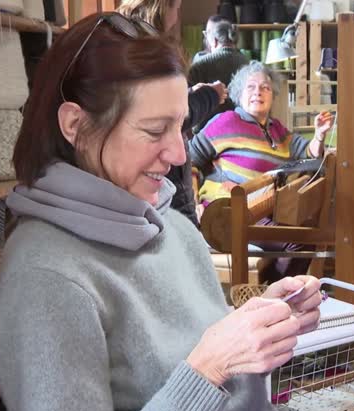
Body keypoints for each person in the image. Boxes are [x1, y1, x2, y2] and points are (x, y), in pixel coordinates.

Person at [0, 13, 322, 411]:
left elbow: (200, 372)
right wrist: (209, 368)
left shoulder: (172, 228)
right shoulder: (46, 280)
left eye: (180, 127)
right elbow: (199, 373)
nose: (179, 153)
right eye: (154, 130)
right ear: (75, 125)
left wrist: (257, 329)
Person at [189, 61, 333, 280]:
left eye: (265, 87)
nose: (258, 92)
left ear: (273, 95)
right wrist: (193, 204)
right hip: (226, 213)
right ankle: (276, 295)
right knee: (299, 241)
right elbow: (189, 160)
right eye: (251, 87)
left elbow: (308, 152)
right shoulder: (225, 122)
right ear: (239, 94)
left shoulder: (277, 130)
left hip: (259, 212)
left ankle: (272, 293)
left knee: (306, 237)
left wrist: (320, 135)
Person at [117, 0, 228, 227]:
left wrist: (187, 93)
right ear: (163, 6)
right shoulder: (148, 51)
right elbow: (165, 116)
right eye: (176, 7)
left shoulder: (121, 40)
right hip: (163, 189)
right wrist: (210, 95)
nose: (177, 16)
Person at [189, 19, 250, 128]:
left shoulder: (200, 64)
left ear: (214, 41)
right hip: (242, 129)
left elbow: (189, 102)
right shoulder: (248, 64)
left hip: (208, 132)